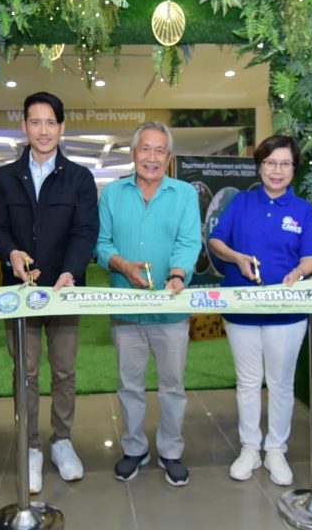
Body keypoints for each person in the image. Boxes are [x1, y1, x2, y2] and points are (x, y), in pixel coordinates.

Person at [0, 92, 99, 494]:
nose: (43, 130)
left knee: (64, 370)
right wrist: (11, 254)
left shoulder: (79, 178)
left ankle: (62, 441)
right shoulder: (5, 178)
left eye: (51, 122)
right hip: (21, 293)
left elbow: (86, 231)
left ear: (62, 127)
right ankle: (31, 445)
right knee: (27, 372)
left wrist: (70, 270)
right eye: (35, 122)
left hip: (64, 290)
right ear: (24, 127)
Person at [207, 135, 312, 486]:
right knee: (248, 381)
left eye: (285, 164)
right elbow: (216, 240)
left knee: (281, 383)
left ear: (294, 169)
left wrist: (298, 272)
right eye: (270, 163)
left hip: (287, 311)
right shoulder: (241, 202)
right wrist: (236, 257)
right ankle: (250, 448)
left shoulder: (303, 210)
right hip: (241, 307)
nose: (277, 170)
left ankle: (276, 449)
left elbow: (311, 256)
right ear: (259, 166)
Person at [95, 121, 201, 487]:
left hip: (170, 308)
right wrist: (123, 266)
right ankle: (134, 448)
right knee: (130, 385)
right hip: (126, 308)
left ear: (169, 157)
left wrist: (177, 274)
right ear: (133, 153)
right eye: (145, 149)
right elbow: (101, 244)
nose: (151, 157)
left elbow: (189, 242)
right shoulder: (112, 194)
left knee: (172, 386)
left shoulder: (184, 194)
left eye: (160, 150)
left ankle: (171, 450)